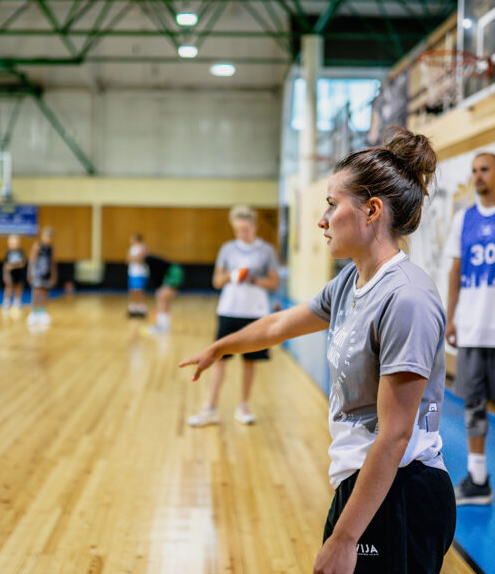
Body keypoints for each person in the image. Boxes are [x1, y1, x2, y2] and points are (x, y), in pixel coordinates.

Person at [180, 128, 456, 574]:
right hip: (360, 482)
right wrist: (222, 346)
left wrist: (345, 539)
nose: (322, 219)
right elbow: (281, 323)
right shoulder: (350, 280)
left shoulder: (407, 298)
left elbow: (394, 435)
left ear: (371, 211)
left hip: (402, 493)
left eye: (332, 204)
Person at [187, 205, 279, 427]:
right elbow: (216, 282)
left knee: (250, 361)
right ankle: (209, 407)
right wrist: (231, 275)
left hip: (255, 313)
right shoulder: (227, 249)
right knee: (219, 359)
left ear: (254, 227)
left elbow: (273, 283)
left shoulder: (266, 251)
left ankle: (243, 406)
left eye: (245, 229)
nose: (241, 234)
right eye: (238, 230)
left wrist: (252, 279)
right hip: (229, 310)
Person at [445, 152, 495, 506]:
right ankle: (478, 480)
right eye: (474, 170)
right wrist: (450, 317)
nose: (478, 176)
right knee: (474, 405)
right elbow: (454, 271)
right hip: (474, 327)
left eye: (485, 169)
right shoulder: (463, 219)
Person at [145, 255, 185, 333]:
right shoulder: (153, 261)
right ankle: (164, 326)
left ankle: (162, 326)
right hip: (173, 275)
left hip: (173, 274)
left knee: (162, 298)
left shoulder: (150, 262)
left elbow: (156, 276)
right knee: (163, 299)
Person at [27, 226, 57, 326]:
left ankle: (43, 313)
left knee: (44, 293)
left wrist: (54, 275)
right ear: (43, 236)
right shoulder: (37, 246)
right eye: (47, 236)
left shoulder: (51, 248)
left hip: (46, 273)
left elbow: (52, 263)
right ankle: (34, 313)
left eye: (50, 237)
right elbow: (32, 260)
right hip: (37, 273)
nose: (48, 239)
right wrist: (29, 272)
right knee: (36, 292)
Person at [2, 234, 26, 316]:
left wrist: (13, 265)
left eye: (16, 243)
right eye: (12, 243)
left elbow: (22, 263)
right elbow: (6, 265)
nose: (14, 245)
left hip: (19, 273)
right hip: (10, 274)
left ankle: (17, 301)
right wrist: (5, 274)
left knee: (19, 286)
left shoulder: (20, 252)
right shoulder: (8, 252)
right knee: (9, 287)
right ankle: (6, 302)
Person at [126, 233, 149, 317]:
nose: (130, 240)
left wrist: (133, 258)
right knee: (132, 291)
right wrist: (133, 258)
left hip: (140, 273)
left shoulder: (142, 247)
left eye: (132, 239)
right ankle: (133, 308)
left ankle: (142, 308)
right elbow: (128, 260)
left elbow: (140, 259)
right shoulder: (132, 248)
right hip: (132, 272)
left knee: (139, 291)